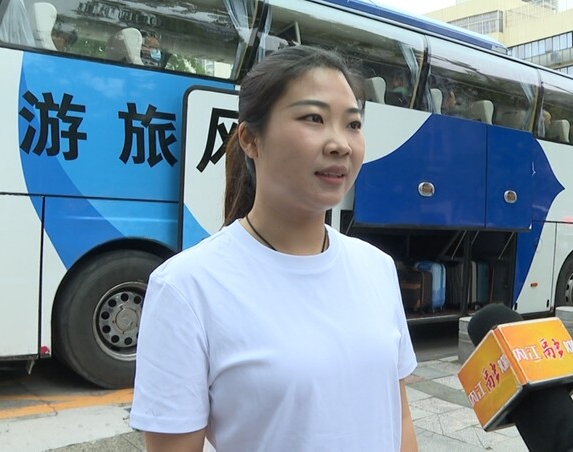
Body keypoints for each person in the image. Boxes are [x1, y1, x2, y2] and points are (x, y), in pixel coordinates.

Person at [130, 45, 419, 452]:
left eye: (353, 124)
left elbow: (398, 418)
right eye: (313, 118)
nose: (340, 144)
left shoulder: (377, 267)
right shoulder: (185, 288)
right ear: (250, 139)